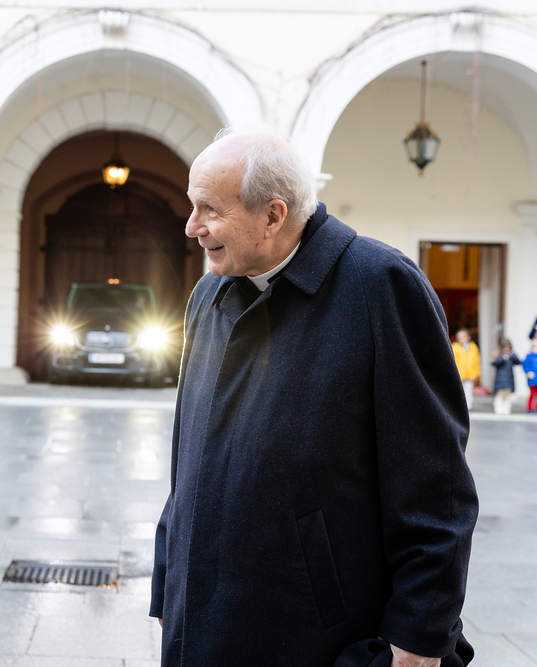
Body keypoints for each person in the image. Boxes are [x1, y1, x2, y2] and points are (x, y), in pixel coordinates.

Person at [151, 128, 477, 667]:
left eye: (208, 209)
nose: (191, 226)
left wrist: (418, 637)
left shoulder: (382, 285)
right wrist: (169, 584)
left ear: (273, 215)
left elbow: (436, 487)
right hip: (200, 626)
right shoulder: (208, 294)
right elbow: (186, 460)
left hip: (318, 639)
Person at [451, 328, 481, 410]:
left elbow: (477, 361)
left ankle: (468, 406)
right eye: (459, 337)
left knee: (468, 390)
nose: (461, 339)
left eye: (463, 337)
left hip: (470, 374)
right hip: (459, 374)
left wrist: (477, 373)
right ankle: (459, 407)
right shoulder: (454, 347)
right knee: (459, 391)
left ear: (468, 337)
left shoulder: (473, 347)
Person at [491, 340, 521, 415]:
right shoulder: (498, 355)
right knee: (499, 396)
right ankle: (499, 410)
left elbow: (518, 362)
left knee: (507, 396)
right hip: (499, 380)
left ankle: (506, 410)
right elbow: (494, 363)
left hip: (509, 380)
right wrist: (503, 358)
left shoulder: (511, 356)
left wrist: (512, 354)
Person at [523, 340, 537, 413]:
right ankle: (529, 409)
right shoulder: (529, 356)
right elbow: (525, 366)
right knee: (532, 395)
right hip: (532, 380)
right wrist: (528, 372)